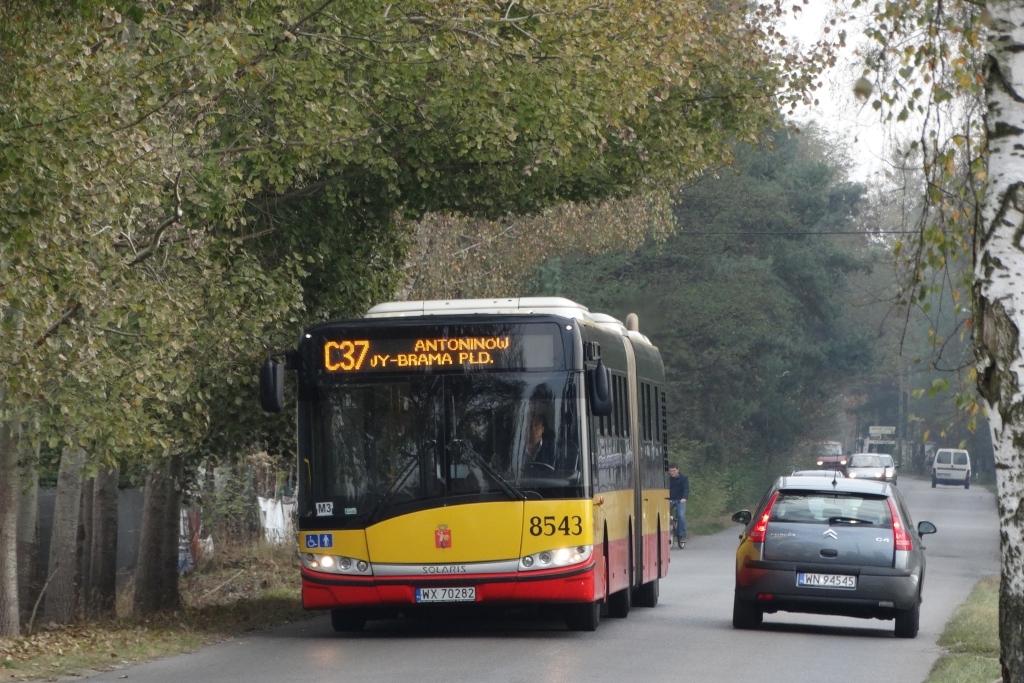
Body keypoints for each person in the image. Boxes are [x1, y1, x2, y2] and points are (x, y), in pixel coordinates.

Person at [668, 464, 689, 548]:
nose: (672, 472)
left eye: (674, 470)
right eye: (670, 471)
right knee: (664, 515)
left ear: (678, 470)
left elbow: (686, 489)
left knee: (681, 515)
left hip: (680, 500)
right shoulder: (667, 479)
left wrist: (684, 498)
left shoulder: (684, 479)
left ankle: (682, 535)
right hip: (669, 500)